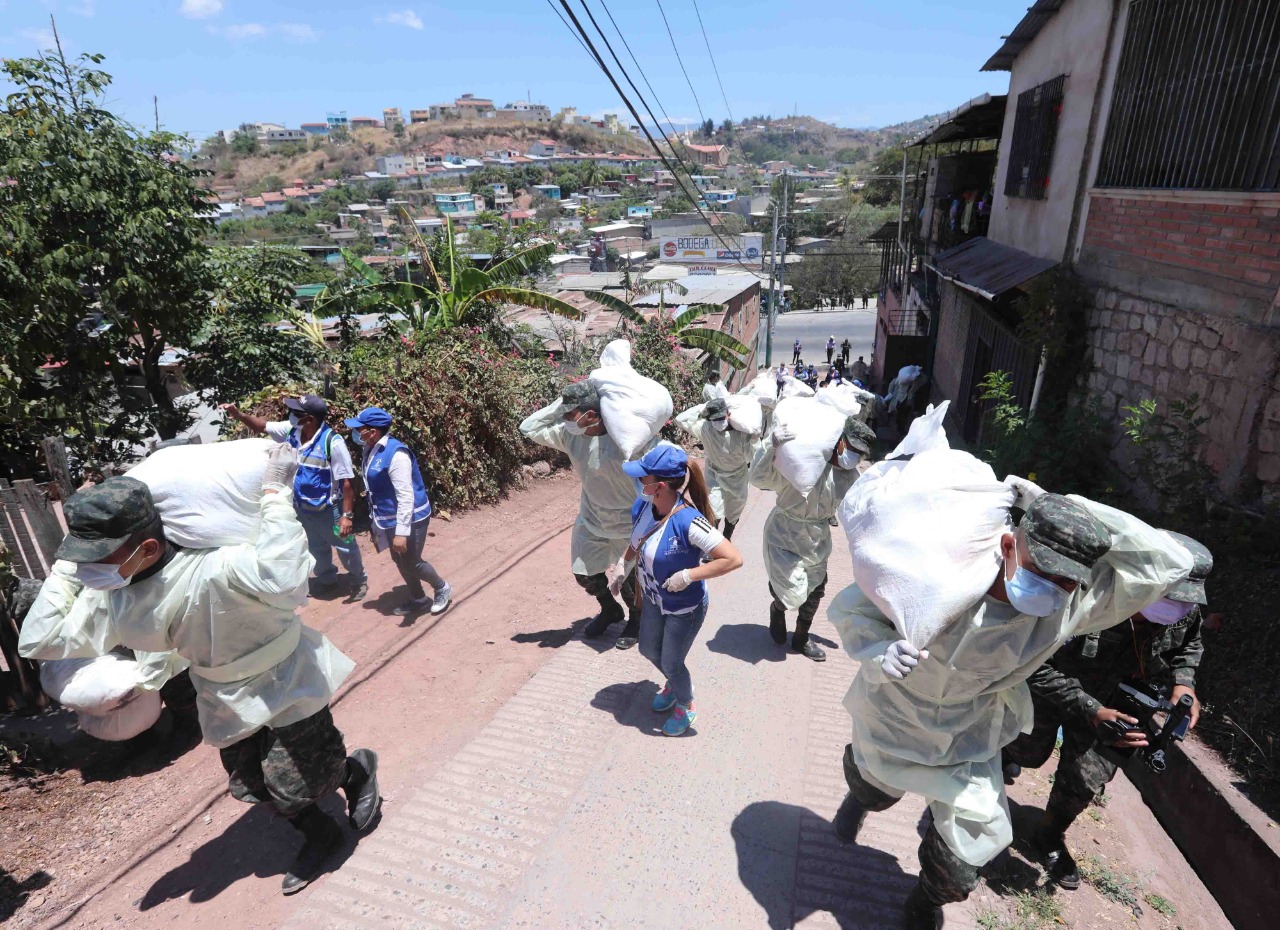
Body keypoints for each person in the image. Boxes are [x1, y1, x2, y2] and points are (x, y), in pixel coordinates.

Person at [828, 487, 1193, 929]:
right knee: (875, 786)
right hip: (897, 712)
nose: (1055, 589)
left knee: (966, 857)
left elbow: (1169, 563)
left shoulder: (1067, 611)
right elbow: (854, 610)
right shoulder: (937, 574)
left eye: (1067, 580)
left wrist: (1067, 504)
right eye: (1045, 571)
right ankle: (861, 798)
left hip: (968, 734)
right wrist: (879, 649)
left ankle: (926, 898)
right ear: (1008, 545)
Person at [19, 468, 381, 895]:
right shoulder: (114, 598)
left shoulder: (216, 566)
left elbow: (284, 574)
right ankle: (321, 834)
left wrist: (274, 495)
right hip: (221, 693)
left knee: (305, 781)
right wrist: (64, 571)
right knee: (252, 783)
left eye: (97, 557)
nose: (89, 569)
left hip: (285, 679)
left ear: (148, 547)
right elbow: (40, 639)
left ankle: (355, 770)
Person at [1004, 531, 1212, 890]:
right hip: (1054, 695)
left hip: (1117, 709)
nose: (1175, 608)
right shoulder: (1085, 595)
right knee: (1025, 752)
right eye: (1169, 595)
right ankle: (985, 788)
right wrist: (1089, 707)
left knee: (1085, 780)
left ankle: (1049, 836)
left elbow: (1189, 645)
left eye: (1183, 600)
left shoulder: (1182, 613)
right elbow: (1033, 663)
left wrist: (1184, 681)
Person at [609, 446, 743, 736]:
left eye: (643, 477)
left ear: (659, 485)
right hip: (656, 600)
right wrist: (623, 564)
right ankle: (675, 681)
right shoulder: (643, 507)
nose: (637, 482)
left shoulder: (688, 521)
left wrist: (689, 575)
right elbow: (637, 541)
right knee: (647, 648)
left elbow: (733, 558)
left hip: (684, 608)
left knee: (671, 660)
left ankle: (686, 702)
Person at [519, 382, 653, 649]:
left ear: (591, 415)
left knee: (629, 582)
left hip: (627, 523)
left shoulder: (628, 438)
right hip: (591, 519)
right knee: (585, 574)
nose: (565, 419)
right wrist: (565, 402)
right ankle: (609, 610)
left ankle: (637, 620)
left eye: (570, 414)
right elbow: (528, 427)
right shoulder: (571, 436)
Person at [750, 415, 875, 662]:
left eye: (860, 454)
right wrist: (770, 446)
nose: (853, 458)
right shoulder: (800, 462)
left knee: (816, 589)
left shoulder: (849, 476)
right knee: (790, 591)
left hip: (817, 539)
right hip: (784, 534)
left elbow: (858, 510)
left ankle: (801, 637)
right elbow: (759, 478)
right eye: (851, 450)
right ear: (840, 443)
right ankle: (778, 607)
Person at [221, 395, 367, 601]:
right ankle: (327, 580)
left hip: (329, 508)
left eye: (296, 413)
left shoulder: (332, 442)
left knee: (345, 545)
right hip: (302, 508)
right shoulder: (292, 431)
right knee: (315, 547)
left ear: (309, 419)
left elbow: (348, 482)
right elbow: (263, 426)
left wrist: (346, 515)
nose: (291, 416)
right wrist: (239, 415)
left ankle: (358, 580)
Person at [344, 407, 452, 620]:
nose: (357, 433)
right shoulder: (371, 449)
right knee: (399, 559)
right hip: (387, 518)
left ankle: (442, 588)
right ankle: (418, 598)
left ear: (373, 431)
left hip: (411, 517)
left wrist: (402, 532)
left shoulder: (396, 454)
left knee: (412, 561)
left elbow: (405, 496)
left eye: (360, 429)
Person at [674, 398, 753, 541]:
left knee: (734, 510)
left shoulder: (742, 434)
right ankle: (714, 543)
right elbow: (680, 420)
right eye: (714, 419)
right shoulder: (706, 428)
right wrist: (703, 407)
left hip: (737, 477)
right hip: (714, 474)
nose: (718, 422)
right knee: (713, 509)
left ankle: (727, 537)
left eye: (721, 418)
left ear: (729, 414)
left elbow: (752, 455)